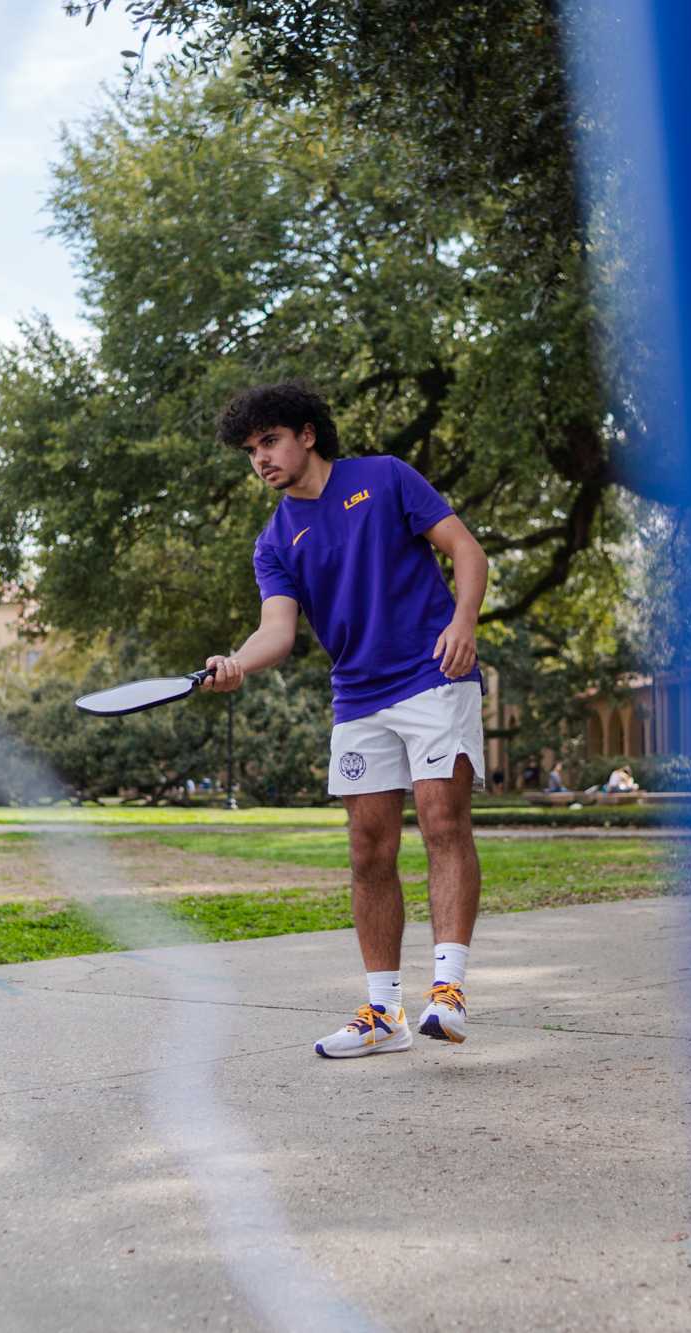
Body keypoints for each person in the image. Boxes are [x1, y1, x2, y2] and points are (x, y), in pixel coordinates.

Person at [201, 380, 488, 1057]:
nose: (260, 459)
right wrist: (238, 661)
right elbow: (279, 630)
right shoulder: (275, 540)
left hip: (433, 671)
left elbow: (466, 550)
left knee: (442, 821)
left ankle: (447, 991)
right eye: (249, 450)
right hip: (357, 695)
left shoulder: (384, 478)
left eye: (269, 441)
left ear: (306, 433)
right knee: (367, 849)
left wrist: (465, 621)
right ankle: (382, 1012)